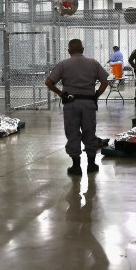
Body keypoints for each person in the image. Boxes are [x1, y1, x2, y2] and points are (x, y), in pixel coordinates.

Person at [45, 39, 109, 176]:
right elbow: (105, 81)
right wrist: (96, 94)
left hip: (71, 104)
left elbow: (49, 82)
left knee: (72, 133)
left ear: (69, 51)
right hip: (89, 104)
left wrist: (61, 93)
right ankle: (91, 165)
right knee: (89, 132)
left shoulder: (63, 64)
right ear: (83, 49)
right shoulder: (93, 63)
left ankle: (76, 166)